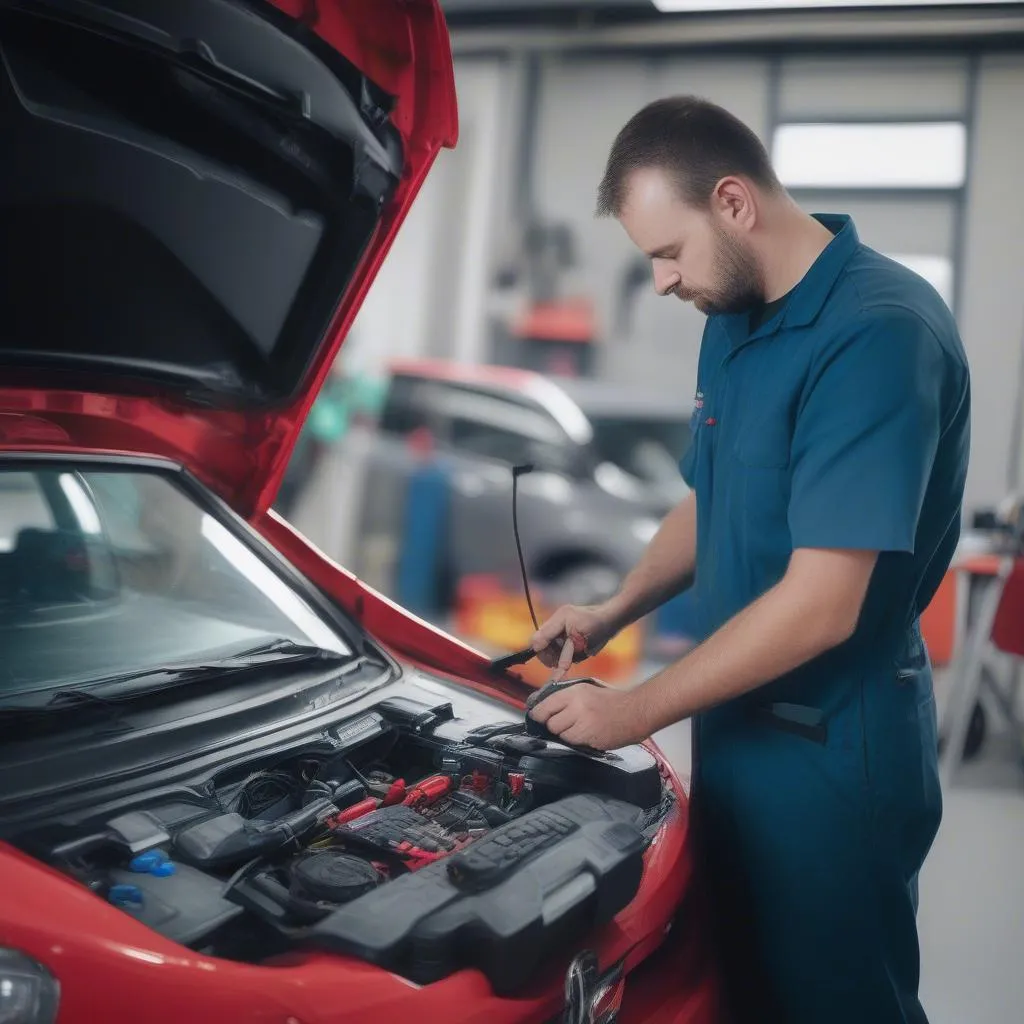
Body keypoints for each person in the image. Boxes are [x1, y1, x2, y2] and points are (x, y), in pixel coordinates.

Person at [527, 96, 970, 1024]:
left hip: (831, 749)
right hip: (734, 729)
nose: (659, 281)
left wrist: (633, 711)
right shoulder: (732, 312)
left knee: (838, 1003)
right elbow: (713, 491)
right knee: (738, 993)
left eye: (667, 252)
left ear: (733, 203)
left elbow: (822, 604)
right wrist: (615, 610)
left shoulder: (877, 334)